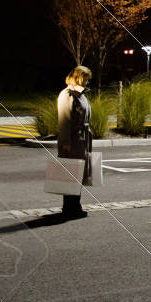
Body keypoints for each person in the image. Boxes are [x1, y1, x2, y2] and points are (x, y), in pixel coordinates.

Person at [56, 65, 93, 218]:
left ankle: (75, 206)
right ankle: (69, 208)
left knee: (78, 174)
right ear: (79, 77)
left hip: (81, 139)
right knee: (71, 173)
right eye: (86, 78)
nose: (88, 82)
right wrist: (66, 142)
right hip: (73, 139)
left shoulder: (80, 94)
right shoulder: (67, 94)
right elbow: (64, 120)